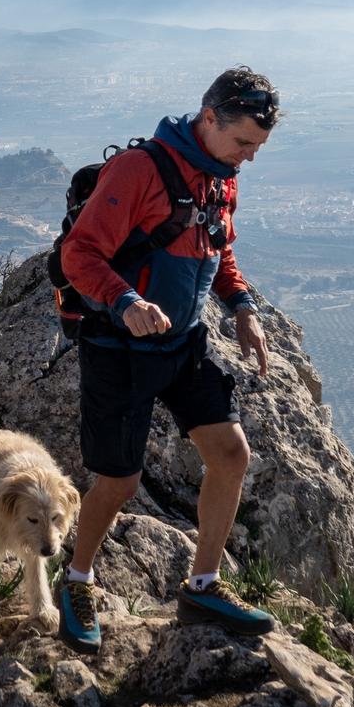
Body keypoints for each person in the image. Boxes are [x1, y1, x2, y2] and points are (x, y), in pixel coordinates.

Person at [54, 66, 281, 653]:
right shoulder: (139, 170)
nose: (250, 158)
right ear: (209, 119)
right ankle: (76, 580)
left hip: (183, 342)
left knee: (231, 454)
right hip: (119, 347)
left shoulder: (219, 175)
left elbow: (217, 249)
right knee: (119, 483)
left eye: (257, 148)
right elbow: (79, 255)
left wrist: (243, 308)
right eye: (244, 143)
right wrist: (124, 300)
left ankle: (202, 585)